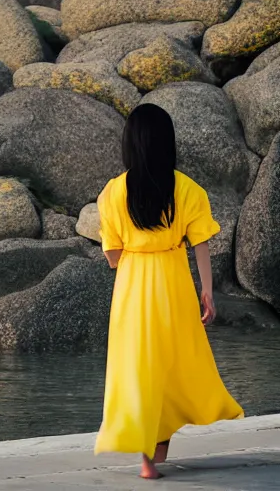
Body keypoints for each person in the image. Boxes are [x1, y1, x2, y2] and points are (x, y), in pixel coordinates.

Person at [94, 102, 243, 480]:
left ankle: (147, 458)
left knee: (137, 366)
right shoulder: (187, 189)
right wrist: (207, 292)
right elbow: (202, 244)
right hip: (174, 283)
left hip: (132, 286)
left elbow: (112, 257)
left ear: (129, 144)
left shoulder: (113, 193)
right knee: (171, 366)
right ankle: (157, 449)